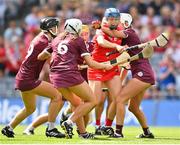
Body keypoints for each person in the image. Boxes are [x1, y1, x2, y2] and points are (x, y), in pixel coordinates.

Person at [37, 18, 113, 139]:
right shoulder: (78, 40)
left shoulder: (56, 39)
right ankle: (69, 122)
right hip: (70, 75)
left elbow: (40, 57)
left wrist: (52, 52)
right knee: (92, 100)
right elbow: (91, 64)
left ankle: (83, 134)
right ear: (77, 28)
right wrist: (105, 66)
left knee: (77, 104)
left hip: (55, 76)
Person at [23, 25, 94, 137]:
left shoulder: (89, 46)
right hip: (72, 80)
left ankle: (78, 129)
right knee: (75, 108)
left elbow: (91, 61)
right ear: (77, 33)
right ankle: (32, 127)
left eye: (87, 33)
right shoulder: (74, 42)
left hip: (74, 80)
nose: (84, 36)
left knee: (79, 107)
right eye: (82, 33)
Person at [1, 17, 65, 138]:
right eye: (55, 27)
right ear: (49, 29)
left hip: (22, 78)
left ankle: (8, 128)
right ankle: (51, 129)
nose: (57, 29)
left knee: (30, 108)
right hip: (28, 79)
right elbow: (52, 57)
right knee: (57, 96)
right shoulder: (44, 42)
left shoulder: (41, 38)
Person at [102, 13, 155, 138]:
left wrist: (101, 27)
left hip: (143, 74)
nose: (115, 24)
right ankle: (147, 132)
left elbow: (113, 33)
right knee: (133, 107)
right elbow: (125, 63)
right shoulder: (127, 38)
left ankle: (118, 132)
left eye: (117, 22)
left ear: (125, 23)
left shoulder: (129, 33)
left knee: (120, 99)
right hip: (143, 73)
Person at [88, 8, 124, 135]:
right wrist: (116, 46)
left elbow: (124, 36)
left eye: (115, 19)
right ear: (106, 19)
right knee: (96, 101)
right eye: (111, 19)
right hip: (97, 66)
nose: (113, 21)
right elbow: (101, 42)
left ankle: (108, 127)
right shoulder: (100, 29)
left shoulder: (120, 29)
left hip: (112, 68)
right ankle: (96, 125)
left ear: (119, 19)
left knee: (118, 99)